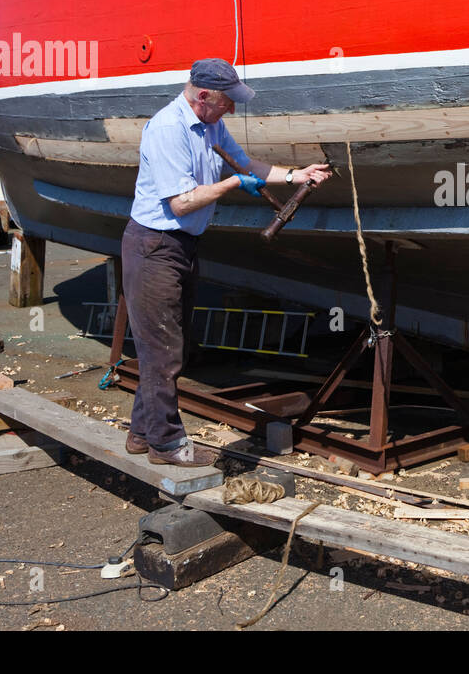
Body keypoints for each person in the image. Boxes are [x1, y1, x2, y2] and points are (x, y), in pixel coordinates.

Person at [120, 58, 331, 466]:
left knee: (169, 346)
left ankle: (142, 434)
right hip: (154, 247)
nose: (232, 109)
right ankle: (166, 444)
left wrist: (296, 175)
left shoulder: (210, 123)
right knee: (163, 350)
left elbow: (245, 163)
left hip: (180, 246)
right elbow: (181, 203)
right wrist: (233, 183)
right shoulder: (168, 129)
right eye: (227, 101)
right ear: (203, 96)